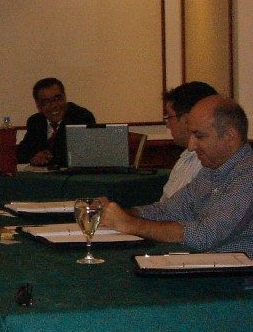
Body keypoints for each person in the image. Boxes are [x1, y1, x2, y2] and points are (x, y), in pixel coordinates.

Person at [99, 96, 253, 256]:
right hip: (206, 264)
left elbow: (205, 235)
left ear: (230, 136)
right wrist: (117, 214)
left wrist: (131, 224)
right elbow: (167, 211)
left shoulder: (248, 175)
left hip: (235, 270)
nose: (191, 146)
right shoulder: (212, 170)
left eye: (199, 136)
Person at [16, 77, 96, 168]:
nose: (54, 105)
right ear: (38, 105)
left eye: (57, 99)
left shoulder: (81, 117)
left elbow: (82, 155)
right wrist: (33, 158)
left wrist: (48, 158)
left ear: (65, 97)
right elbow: (22, 153)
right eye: (46, 102)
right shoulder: (35, 121)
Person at [159, 81, 218, 200]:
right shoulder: (186, 157)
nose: (168, 125)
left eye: (169, 117)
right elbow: (164, 206)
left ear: (187, 120)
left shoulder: (209, 163)